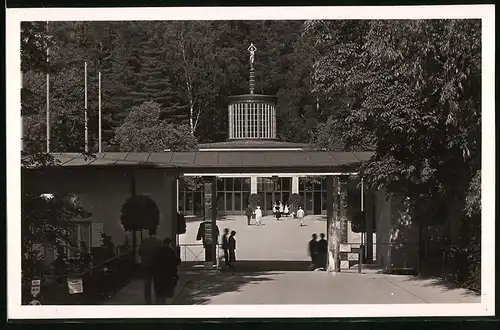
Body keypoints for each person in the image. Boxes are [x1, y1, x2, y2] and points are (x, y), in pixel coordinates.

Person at [151, 238, 180, 304]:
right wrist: (174, 274)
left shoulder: (157, 251)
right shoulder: (171, 251)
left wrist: (153, 273)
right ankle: (162, 304)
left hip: (158, 274)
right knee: (164, 291)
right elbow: (174, 263)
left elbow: (154, 262)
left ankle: (157, 303)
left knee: (158, 290)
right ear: (169, 243)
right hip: (167, 275)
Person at [138, 228, 162, 305]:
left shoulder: (144, 242)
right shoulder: (158, 242)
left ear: (148, 233)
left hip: (146, 265)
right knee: (157, 283)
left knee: (147, 284)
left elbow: (140, 252)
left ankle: (148, 301)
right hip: (156, 266)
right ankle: (157, 300)